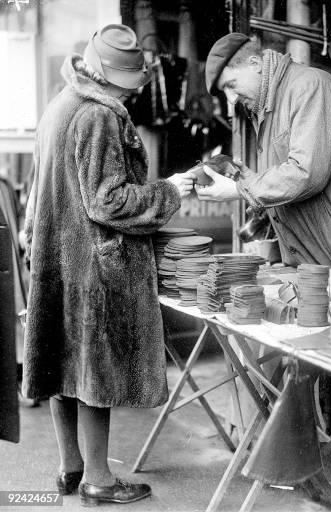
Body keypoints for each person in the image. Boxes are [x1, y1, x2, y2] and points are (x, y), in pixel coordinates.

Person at [22, 24, 194, 506]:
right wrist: (172, 191)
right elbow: (108, 202)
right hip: (93, 265)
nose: (133, 92)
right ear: (114, 78)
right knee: (95, 373)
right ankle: (99, 478)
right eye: (131, 82)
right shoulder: (98, 117)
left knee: (61, 363)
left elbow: (42, 190)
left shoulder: (61, 104)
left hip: (57, 257)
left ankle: (70, 469)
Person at [196, 33, 331, 283]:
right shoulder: (265, 106)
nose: (231, 98)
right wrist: (255, 181)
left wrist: (241, 189)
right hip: (313, 263)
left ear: (255, 65)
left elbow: (307, 174)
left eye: (231, 85)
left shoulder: (309, 87)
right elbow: (291, 173)